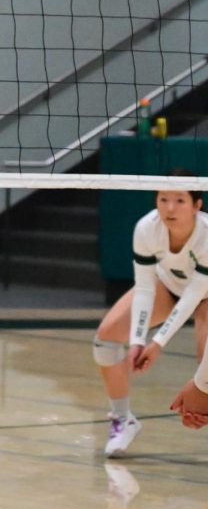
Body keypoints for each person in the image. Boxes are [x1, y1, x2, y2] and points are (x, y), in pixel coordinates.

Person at [92, 173, 207, 452]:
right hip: (167, 287)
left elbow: (193, 296)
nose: (170, 208)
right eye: (163, 199)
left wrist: (157, 344)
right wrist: (138, 340)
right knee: (105, 339)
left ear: (197, 205)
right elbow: (144, 288)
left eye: (179, 200)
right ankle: (122, 419)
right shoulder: (146, 228)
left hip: (204, 296)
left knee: (206, 366)